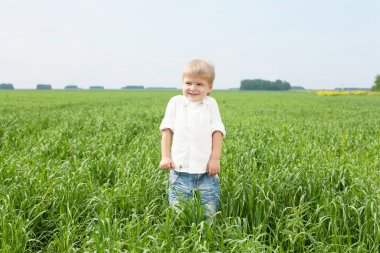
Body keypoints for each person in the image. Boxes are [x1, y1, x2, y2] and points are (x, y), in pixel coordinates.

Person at [159, 59, 226, 221]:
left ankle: (208, 239)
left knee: (209, 212)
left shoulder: (210, 104)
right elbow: (167, 131)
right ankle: (180, 238)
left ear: (209, 88)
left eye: (200, 84)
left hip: (207, 173)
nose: (193, 88)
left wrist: (215, 159)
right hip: (180, 172)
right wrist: (166, 156)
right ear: (182, 83)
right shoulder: (176, 103)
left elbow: (217, 132)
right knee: (178, 213)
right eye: (188, 83)